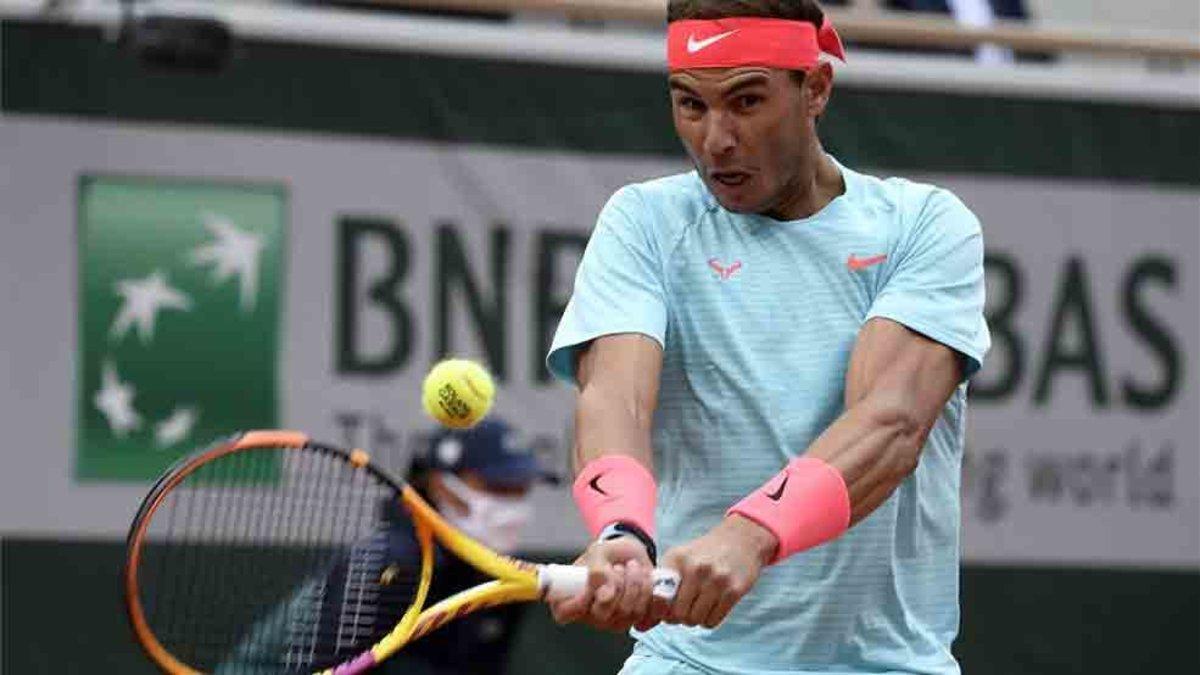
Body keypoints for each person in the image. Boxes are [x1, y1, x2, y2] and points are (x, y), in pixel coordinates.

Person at [544, 1, 990, 674]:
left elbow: (890, 423)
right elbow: (614, 397)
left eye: (746, 101)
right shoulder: (644, 222)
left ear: (815, 88)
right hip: (684, 661)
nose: (715, 138)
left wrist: (750, 536)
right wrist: (622, 529)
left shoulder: (923, 227)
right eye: (690, 104)